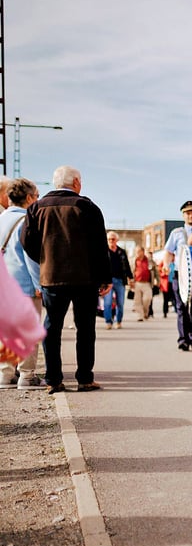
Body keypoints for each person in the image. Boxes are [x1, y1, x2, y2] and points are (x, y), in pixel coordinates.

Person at [21, 165, 111, 394]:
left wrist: (44, 260)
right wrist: (105, 278)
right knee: (85, 329)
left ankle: (54, 379)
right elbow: (100, 246)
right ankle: (84, 379)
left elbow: (26, 241)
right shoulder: (87, 207)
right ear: (77, 183)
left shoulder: (37, 208)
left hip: (51, 278)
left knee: (52, 329)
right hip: (85, 279)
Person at [0, 178, 45, 389]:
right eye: (36, 197)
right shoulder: (28, 220)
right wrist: (39, 285)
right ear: (28, 198)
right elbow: (31, 257)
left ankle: (5, 375)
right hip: (24, 285)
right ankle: (26, 375)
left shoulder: (1, 219)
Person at [164, 201, 192, 351]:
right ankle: (183, 339)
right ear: (183, 215)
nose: (190, 215)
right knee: (182, 308)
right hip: (180, 275)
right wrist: (166, 265)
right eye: (187, 213)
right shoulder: (177, 233)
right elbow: (169, 252)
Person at [102, 231, 132, 329]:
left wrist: (131, 278)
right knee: (108, 303)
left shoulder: (121, 252)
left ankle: (118, 321)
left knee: (120, 303)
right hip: (107, 281)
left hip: (120, 281)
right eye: (109, 239)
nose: (111, 241)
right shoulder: (104, 251)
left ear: (117, 240)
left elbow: (127, 266)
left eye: (113, 239)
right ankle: (108, 322)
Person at [130, 246, 156, 322]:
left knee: (147, 299)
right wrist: (130, 281)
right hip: (137, 283)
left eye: (139, 251)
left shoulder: (149, 260)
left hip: (147, 283)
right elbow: (131, 271)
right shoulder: (133, 261)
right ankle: (140, 316)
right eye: (136, 251)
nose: (137, 253)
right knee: (137, 301)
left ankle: (145, 312)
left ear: (143, 251)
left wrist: (157, 280)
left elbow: (155, 271)